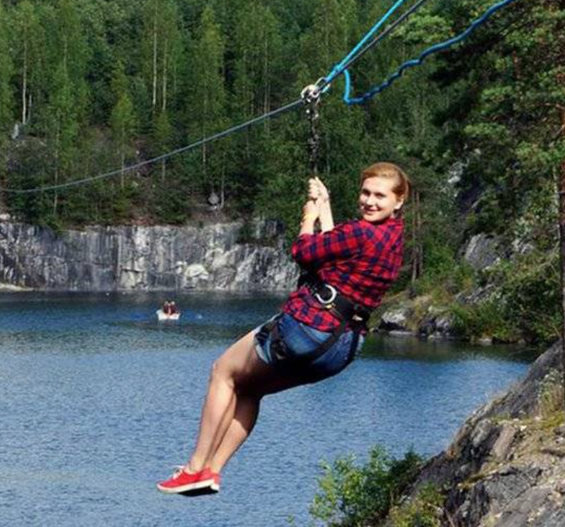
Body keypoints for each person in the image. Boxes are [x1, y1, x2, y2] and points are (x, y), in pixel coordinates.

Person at [157, 162, 408, 496]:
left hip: (307, 329)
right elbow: (337, 254)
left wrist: (308, 218)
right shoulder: (392, 237)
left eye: (380, 195)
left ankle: (193, 468)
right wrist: (326, 206)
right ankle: (212, 471)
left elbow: (305, 254)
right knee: (250, 390)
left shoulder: (361, 232)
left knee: (222, 372)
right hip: (341, 348)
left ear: (398, 201)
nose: (370, 201)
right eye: (365, 192)